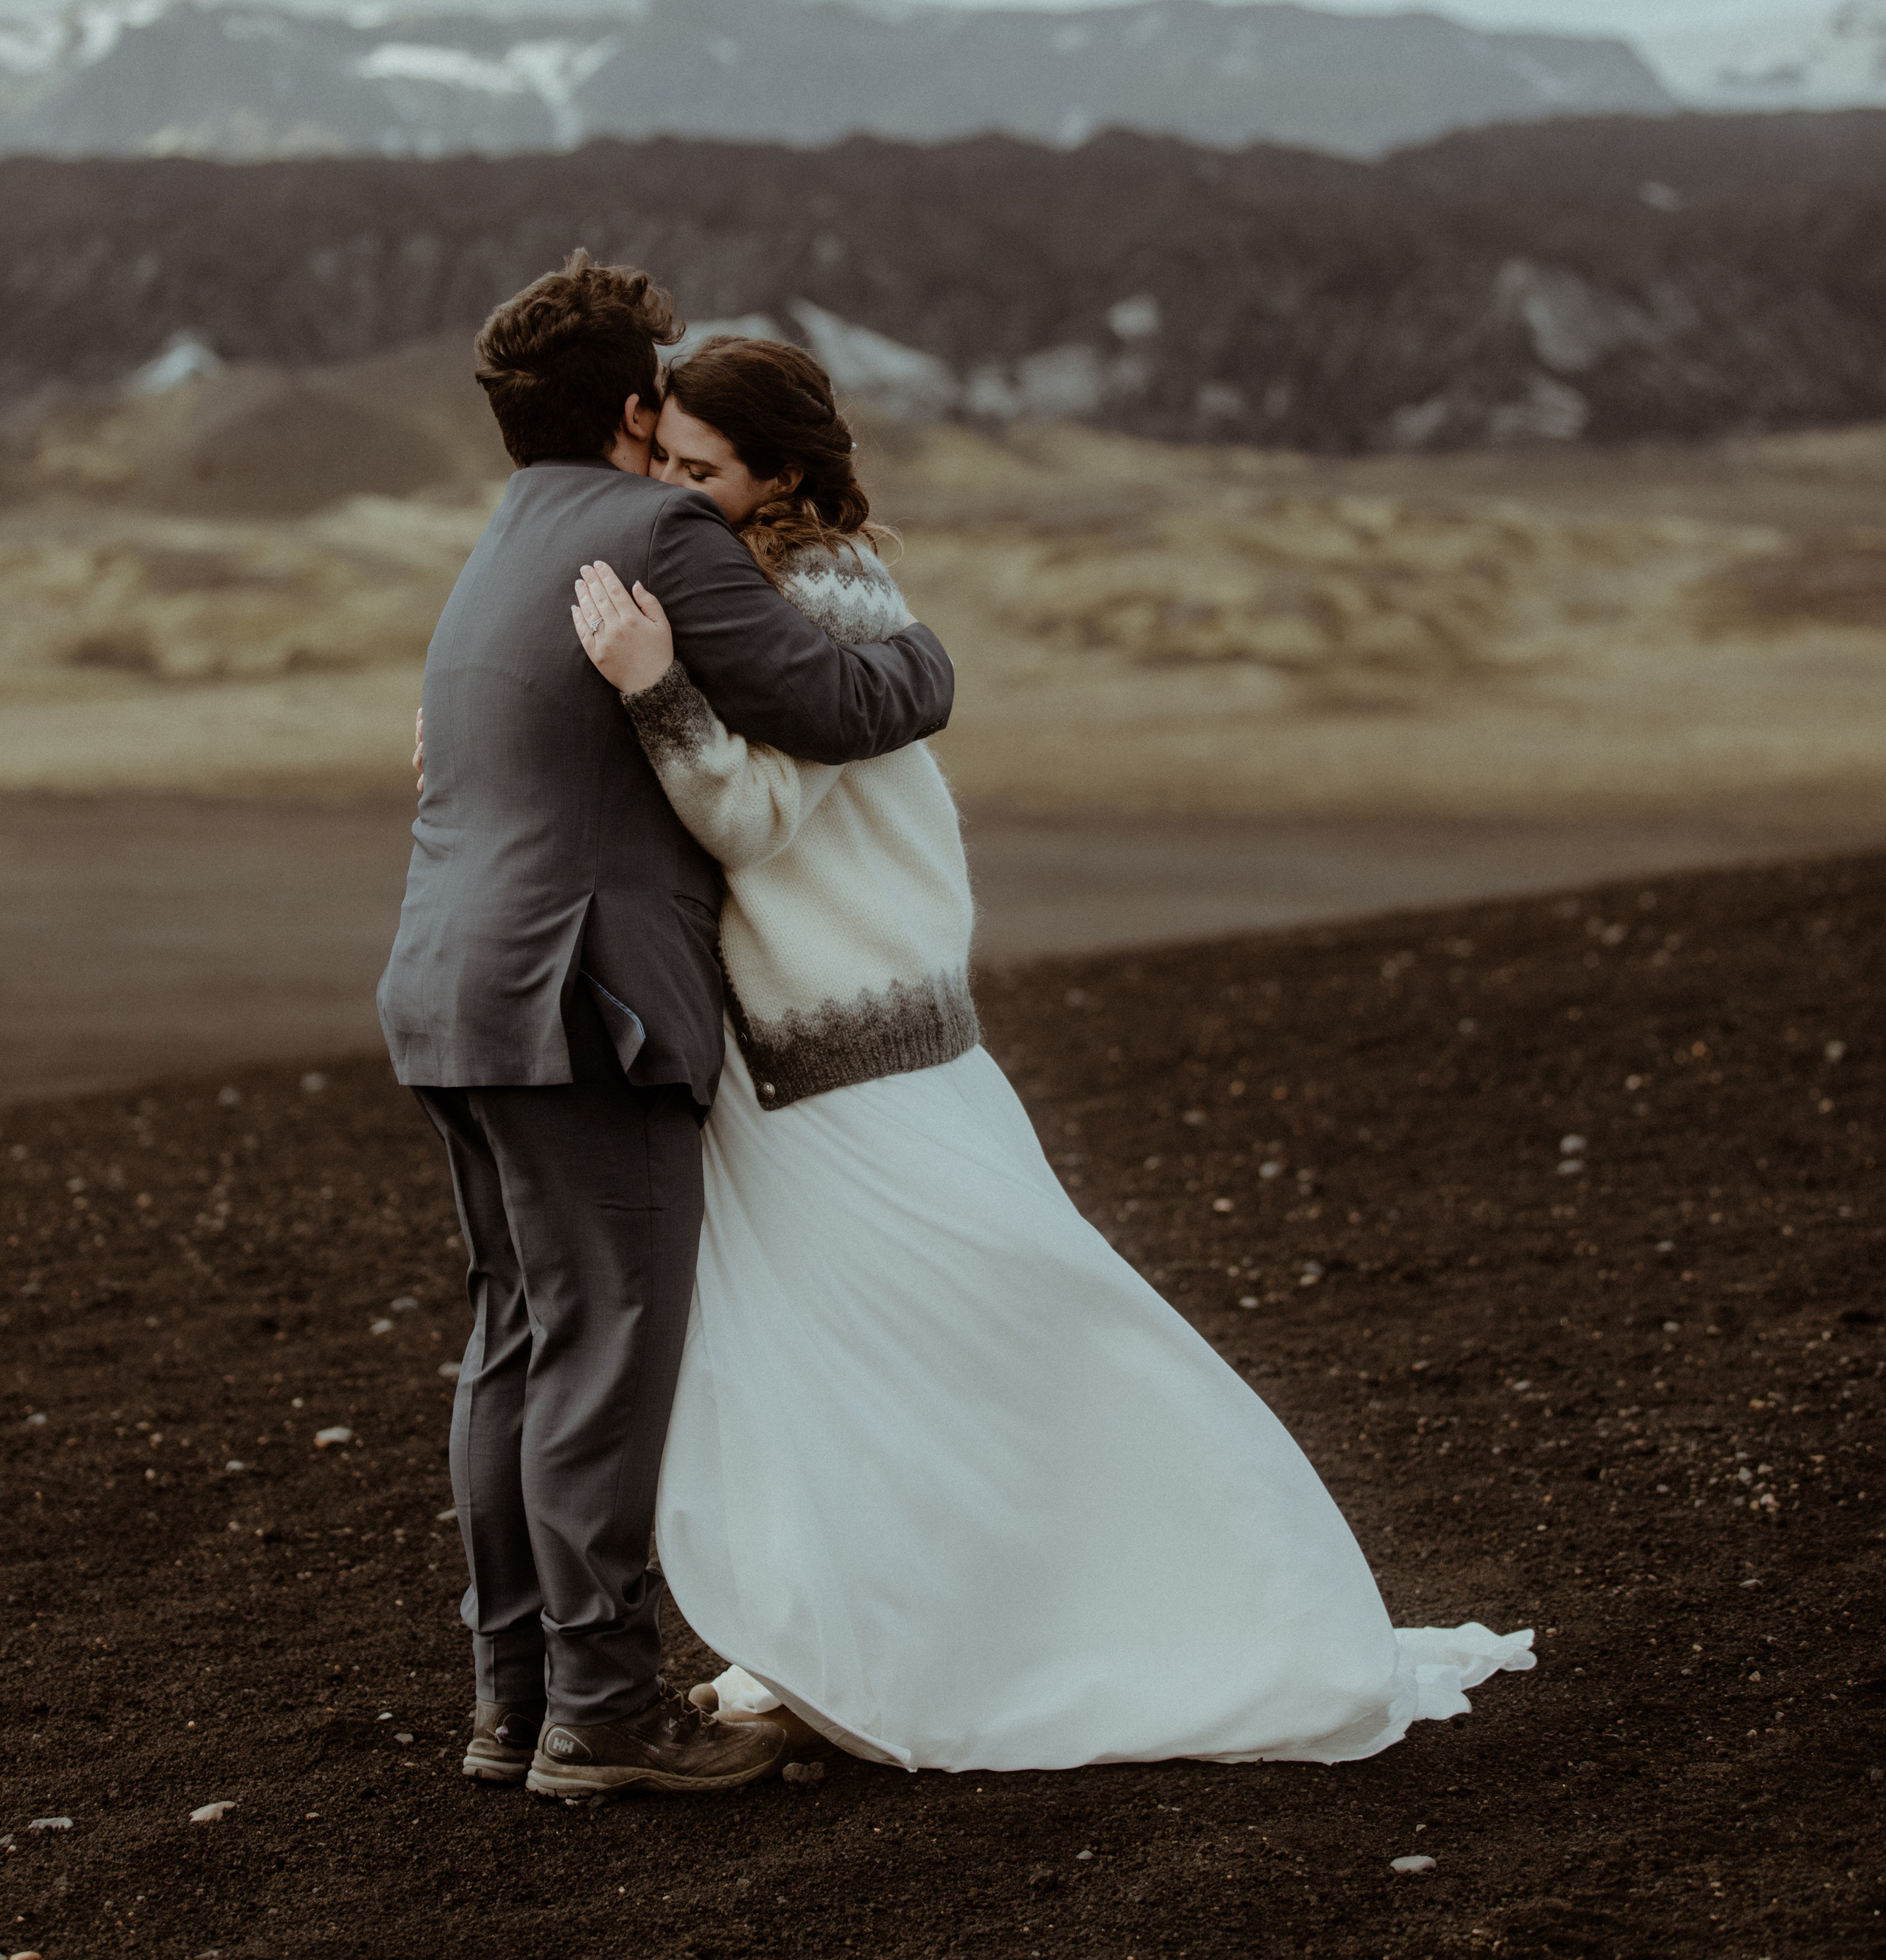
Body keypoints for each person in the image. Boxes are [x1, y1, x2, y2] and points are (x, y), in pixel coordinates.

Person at [572, 334, 1535, 1773]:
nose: (671, 494)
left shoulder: (806, 590)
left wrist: (648, 682)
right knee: (867, 1370)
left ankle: (1187, 1617)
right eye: (660, 466)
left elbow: (754, 820)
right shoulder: (791, 577)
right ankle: (851, 1645)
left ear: (778, 475)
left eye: (700, 471)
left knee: (1015, 1332)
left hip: (850, 1055)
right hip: (831, 1049)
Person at [378, 254, 955, 1803]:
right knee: (607, 1354)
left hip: (447, 986)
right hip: (584, 1004)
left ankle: (516, 1704)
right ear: (638, 410)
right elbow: (834, 703)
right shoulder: (656, 527)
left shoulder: (501, 538)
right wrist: (926, 655)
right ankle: (608, 1715)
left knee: (514, 1345)